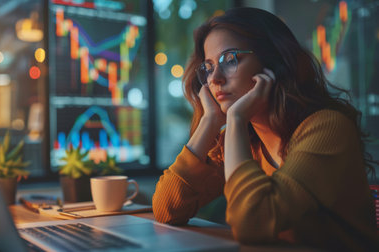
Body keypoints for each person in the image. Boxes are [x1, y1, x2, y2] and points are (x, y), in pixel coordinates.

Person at [152, 7, 379, 251]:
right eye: (208, 67)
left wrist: (237, 118)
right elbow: (166, 209)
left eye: (230, 59)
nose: (215, 78)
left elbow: (252, 222)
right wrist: (209, 121)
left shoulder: (327, 128)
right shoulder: (243, 140)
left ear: (271, 63)